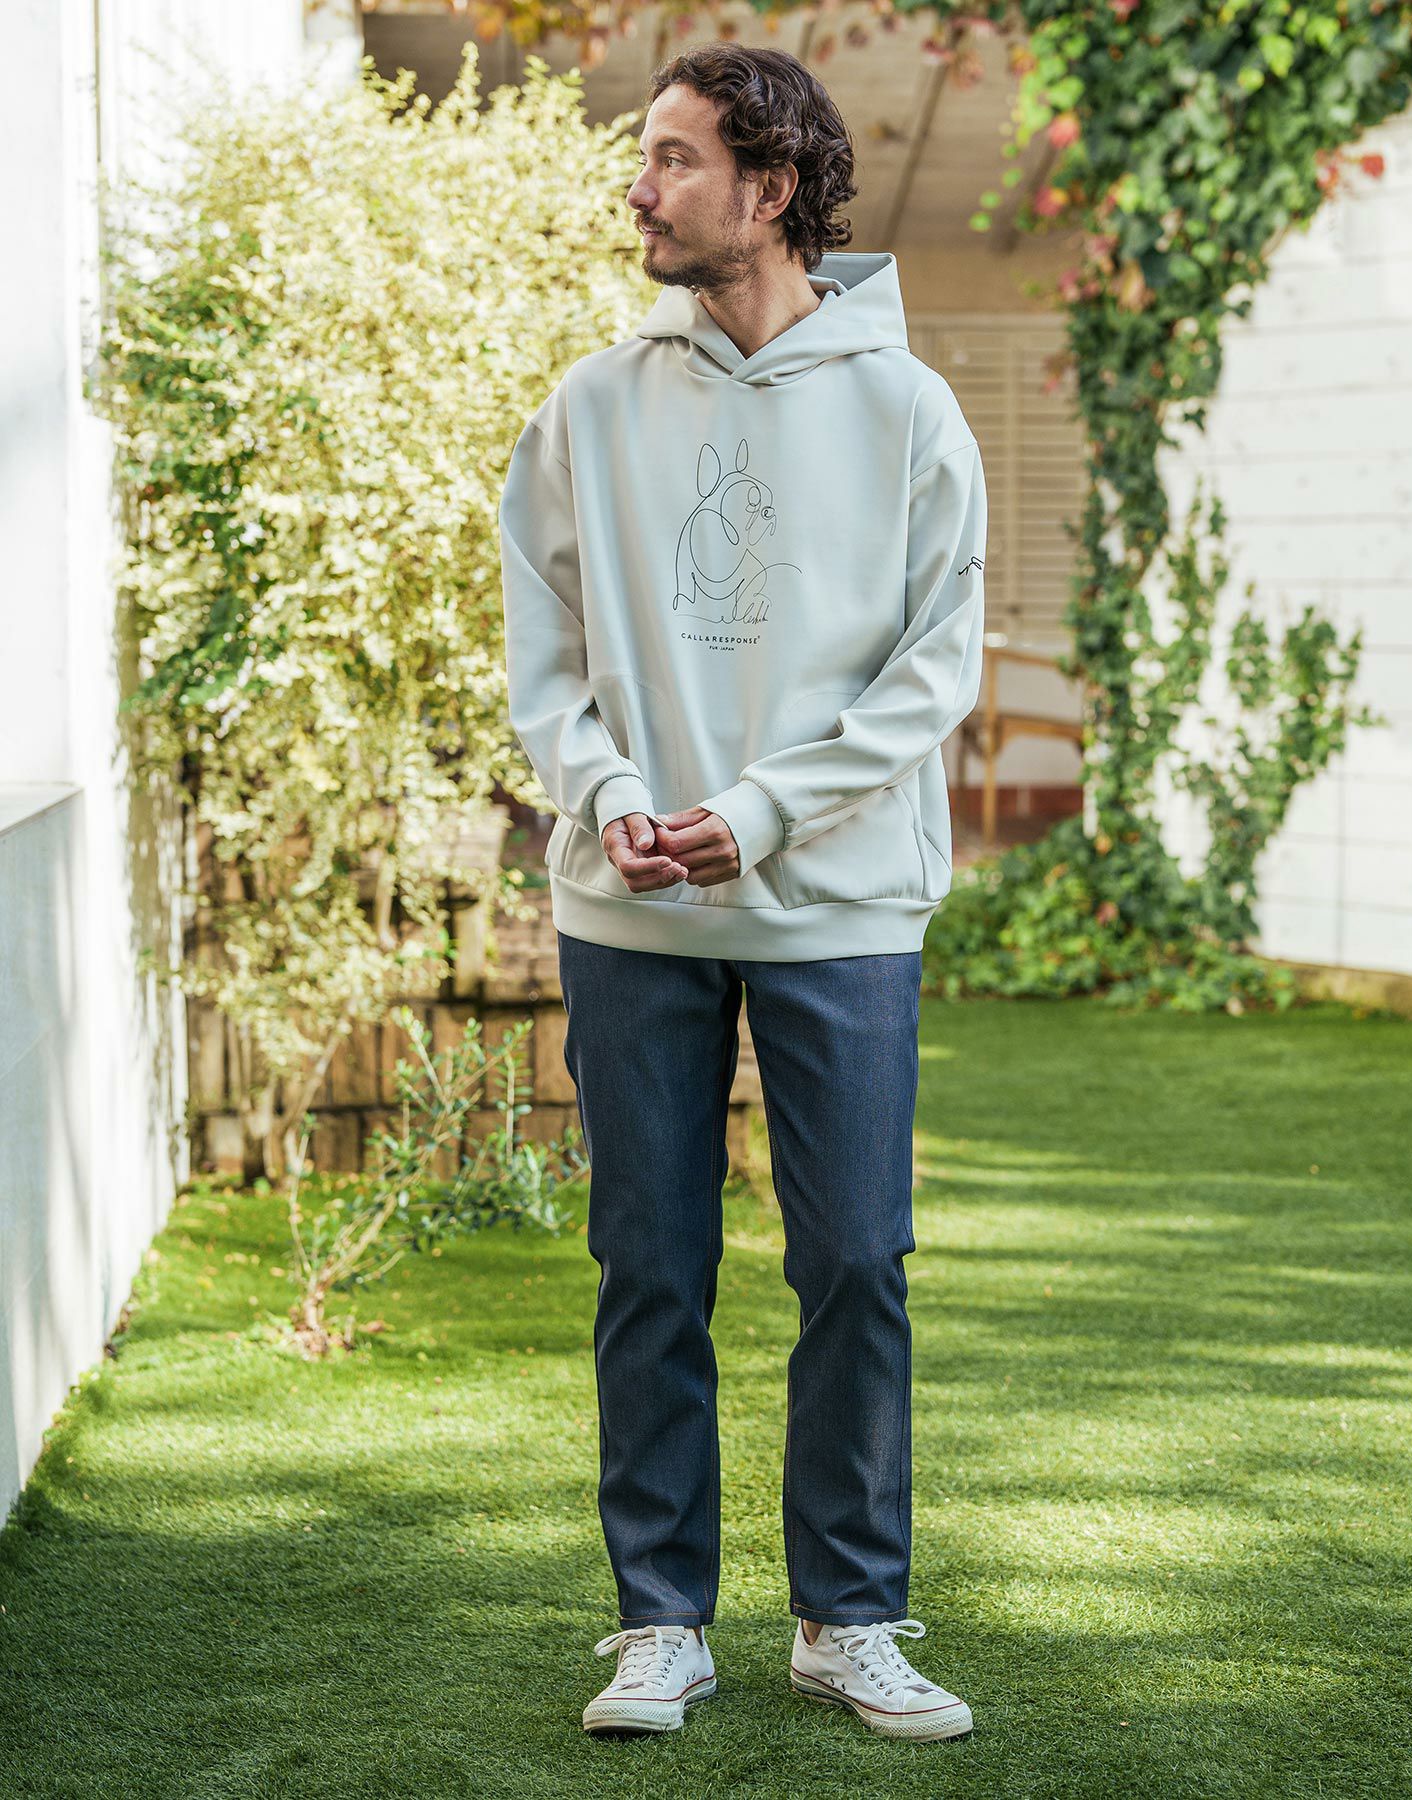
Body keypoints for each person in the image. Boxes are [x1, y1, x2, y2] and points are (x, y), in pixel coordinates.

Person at [497, 41, 986, 1745]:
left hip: (840, 901)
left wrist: (763, 813)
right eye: (646, 157)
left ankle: (848, 1619)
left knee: (853, 1260)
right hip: (631, 904)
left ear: (770, 191)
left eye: (675, 159)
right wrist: (618, 799)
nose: (639, 187)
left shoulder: (909, 409)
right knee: (650, 1262)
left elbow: (935, 670)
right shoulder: (588, 406)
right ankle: (661, 1623)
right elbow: (545, 652)